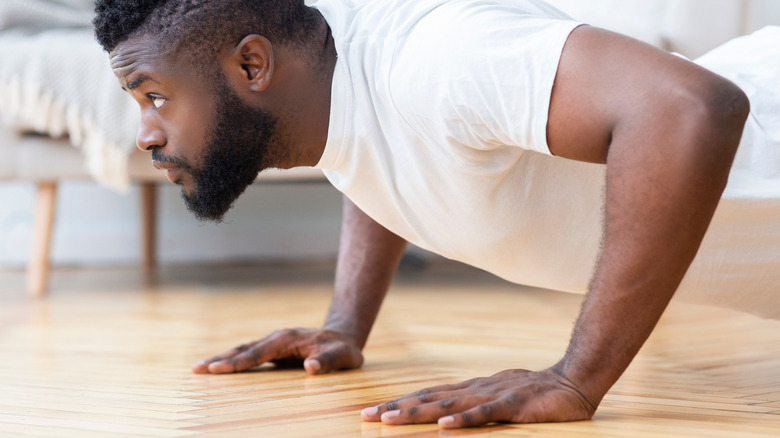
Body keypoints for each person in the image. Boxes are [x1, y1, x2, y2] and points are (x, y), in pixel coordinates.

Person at [93, 0, 780, 429]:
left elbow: (690, 109)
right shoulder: (328, 77)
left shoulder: (435, 56)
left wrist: (576, 376)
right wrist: (345, 323)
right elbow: (377, 148)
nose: (146, 134)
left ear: (251, 66)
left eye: (153, 95)